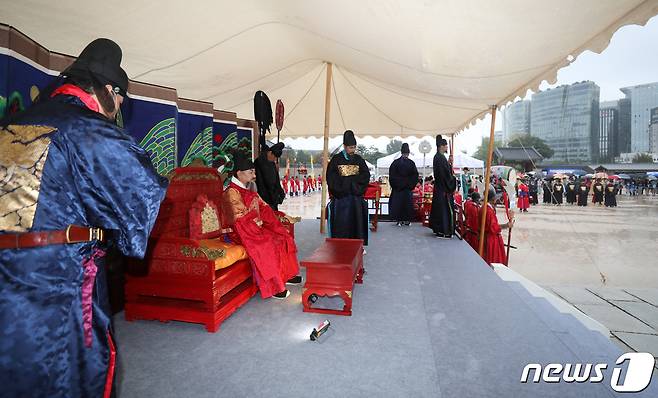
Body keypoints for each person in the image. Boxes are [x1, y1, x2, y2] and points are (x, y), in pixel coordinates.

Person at [0, 39, 168, 397]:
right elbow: (142, 192)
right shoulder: (86, 128)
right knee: (66, 373)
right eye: (120, 97)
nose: (119, 106)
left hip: (6, 276)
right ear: (107, 90)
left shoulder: (12, 123)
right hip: (55, 280)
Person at [223, 155, 301, 299]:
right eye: (251, 172)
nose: (254, 175)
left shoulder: (249, 190)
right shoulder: (231, 193)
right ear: (239, 173)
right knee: (266, 244)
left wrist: (279, 219)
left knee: (282, 236)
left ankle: (287, 275)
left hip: (253, 228)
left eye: (254, 172)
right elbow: (238, 220)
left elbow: (265, 209)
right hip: (239, 232)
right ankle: (275, 287)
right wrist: (257, 228)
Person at [326, 130, 371, 246]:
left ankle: (357, 245)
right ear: (345, 146)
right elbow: (330, 177)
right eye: (350, 148)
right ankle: (340, 245)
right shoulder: (336, 159)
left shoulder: (359, 159)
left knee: (357, 222)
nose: (353, 150)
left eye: (354, 148)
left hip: (355, 197)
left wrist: (352, 183)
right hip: (341, 199)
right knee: (342, 223)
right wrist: (344, 185)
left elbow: (365, 175)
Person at [429, 134, 457, 238]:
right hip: (443, 189)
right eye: (446, 146)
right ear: (441, 146)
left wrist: (449, 163)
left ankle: (440, 230)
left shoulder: (439, 157)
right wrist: (453, 180)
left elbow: (445, 171)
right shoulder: (440, 158)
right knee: (444, 211)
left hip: (440, 188)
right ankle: (443, 231)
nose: (446, 148)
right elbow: (445, 175)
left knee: (440, 210)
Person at [388, 143, 419, 226]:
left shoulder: (395, 163)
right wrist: (409, 184)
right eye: (406, 153)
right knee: (406, 205)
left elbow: (392, 176)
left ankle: (401, 220)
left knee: (400, 204)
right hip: (406, 189)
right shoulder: (411, 163)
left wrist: (398, 185)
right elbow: (415, 176)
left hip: (399, 189)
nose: (406, 155)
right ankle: (405, 220)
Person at [479, 190, 514, 265]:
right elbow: (494, 228)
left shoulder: (485, 208)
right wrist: (507, 225)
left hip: (488, 236)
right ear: (492, 199)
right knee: (493, 262)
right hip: (491, 239)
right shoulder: (488, 210)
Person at [254, 142, 285, 211]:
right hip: (265, 198)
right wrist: (272, 197)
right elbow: (262, 183)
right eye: (274, 157)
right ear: (270, 152)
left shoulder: (272, 163)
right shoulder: (259, 162)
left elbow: (276, 180)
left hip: (272, 197)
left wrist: (280, 192)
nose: (274, 159)